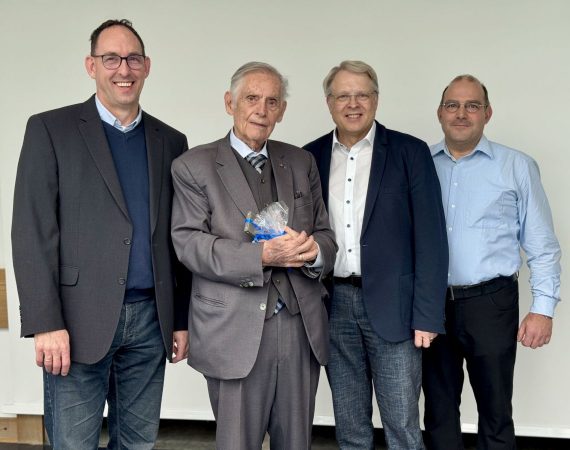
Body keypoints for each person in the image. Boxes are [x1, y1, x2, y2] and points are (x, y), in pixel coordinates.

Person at [11, 19, 191, 449]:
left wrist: (181, 319)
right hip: (75, 323)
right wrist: (45, 322)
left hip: (150, 322)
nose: (123, 69)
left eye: (133, 59)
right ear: (91, 66)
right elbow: (32, 231)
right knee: (73, 443)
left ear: (147, 66)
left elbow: (178, 237)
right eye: (111, 58)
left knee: (138, 443)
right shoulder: (50, 130)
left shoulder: (171, 141)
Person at [171, 61, 337, 450]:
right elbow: (189, 243)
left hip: (299, 327)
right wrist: (260, 256)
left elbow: (326, 235)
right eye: (251, 98)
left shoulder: (301, 162)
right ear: (230, 103)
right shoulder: (193, 166)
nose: (261, 110)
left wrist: (314, 251)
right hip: (233, 328)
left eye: (272, 101)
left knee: (296, 442)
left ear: (282, 110)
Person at [304, 60, 448, 449]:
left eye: (362, 95)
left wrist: (427, 316)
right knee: (350, 425)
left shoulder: (409, 152)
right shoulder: (309, 157)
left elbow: (432, 241)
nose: (353, 104)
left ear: (376, 99)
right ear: (329, 102)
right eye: (343, 96)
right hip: (332, 305)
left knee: (402, 424)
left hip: (395, 309)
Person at [423, 74, 562, 450]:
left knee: (496, 410)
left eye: (472, 105)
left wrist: (543, 308)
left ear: (487, 113)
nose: (461, 113)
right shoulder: (420, 164)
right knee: (437, 411)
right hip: (431, 305)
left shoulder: (516, 166)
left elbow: (542, 244)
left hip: (491, 303)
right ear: (440, 112)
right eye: (453, 105)